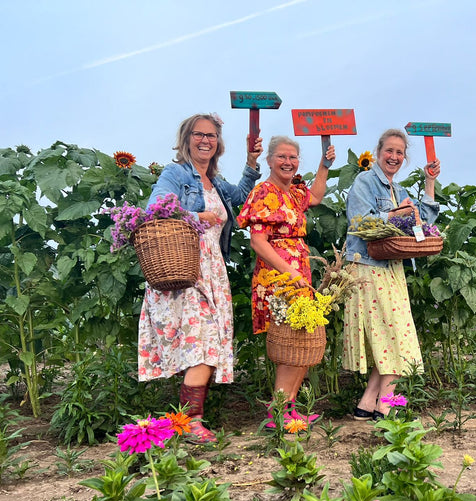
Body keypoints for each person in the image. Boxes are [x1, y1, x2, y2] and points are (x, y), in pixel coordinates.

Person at [138, 113, 263, 443]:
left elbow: (241, 199)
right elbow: (155, 208)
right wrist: (196, 217)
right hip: (187, 268)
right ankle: (189, 422)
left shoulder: (216, 182)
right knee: (204, 342)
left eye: (212, 135)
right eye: (199, 134)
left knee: (209, 343)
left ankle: (185, 422)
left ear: (219, 143)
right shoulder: (176, 173)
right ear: (186, 138)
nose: (205, 140)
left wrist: (251, 163)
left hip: (213, 271)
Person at [237, 136, 335, 427]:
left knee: (302, 340)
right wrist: (288, 271)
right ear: (269, 160)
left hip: (298, 273)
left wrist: (324, 165)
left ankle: (289, 410)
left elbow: (315, 197)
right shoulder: (263, 191)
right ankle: (277, 414)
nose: (288, 162)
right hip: (278, 276)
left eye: (293, 157)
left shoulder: (293, 192)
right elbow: (258, 242)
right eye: (282, 156)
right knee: (288, 344)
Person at [343, 128, 441, 419]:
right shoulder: (364, 181)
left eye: (400, 153)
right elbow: (359, 221)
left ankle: (367, 403)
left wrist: (429, 183)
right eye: (390, 151)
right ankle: (387, 405)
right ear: (378, 151)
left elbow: (422, 219)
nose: (394, 157)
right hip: (367, 267)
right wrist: (397, 214)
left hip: (392, 268)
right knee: (398, 336)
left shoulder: (397, 190)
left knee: (390, 335)